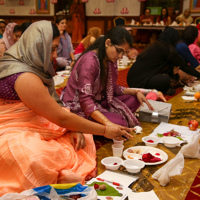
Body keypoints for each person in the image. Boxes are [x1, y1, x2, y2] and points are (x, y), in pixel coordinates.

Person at [0, 21, 132, 196]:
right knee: (34, 158)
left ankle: (60, 174)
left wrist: (74, 127)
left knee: (81, 133)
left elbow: (55, 103)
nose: (55, 55)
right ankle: (53, 178)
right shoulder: (23, 75)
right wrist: (104, 129)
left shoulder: (32, 63)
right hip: (11, 126)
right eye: (53, 48)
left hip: (35, 117)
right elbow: (63, 115)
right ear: (37, 44)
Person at [61, 26, 153, 128]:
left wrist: (136, 92)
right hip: (78, 106)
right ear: (108, 43)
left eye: (124, 53)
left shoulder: (110, 59)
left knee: (134, 99)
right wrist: (107, 122)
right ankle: (107, 120)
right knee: (119, 122)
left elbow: (112, 88)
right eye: (119, 51)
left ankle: (110, 117)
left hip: (98, 100)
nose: (120, 56)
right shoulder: (90, 62)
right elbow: (85, 100)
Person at [127, 27, 200, 95]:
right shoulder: (167, 48)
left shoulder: (156, 44)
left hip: (131, 78)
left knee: (172, 76)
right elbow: (184, 66)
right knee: (166, 80)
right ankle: (163, 90)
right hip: (139, 81)